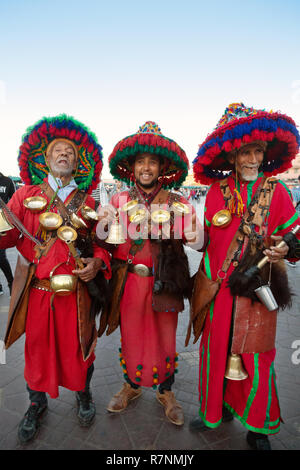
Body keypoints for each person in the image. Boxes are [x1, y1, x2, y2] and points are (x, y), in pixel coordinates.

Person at [190, 103, 300, 450]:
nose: (251, 159)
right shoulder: (214, 193)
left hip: (258, 288)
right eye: (245, 152)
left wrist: (286, 249)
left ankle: (259, 426)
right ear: (232, 156)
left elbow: (292, 238)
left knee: (257, 356)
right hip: (218, 287)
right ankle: (215, 411)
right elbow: (206, 239)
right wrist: (190, 236)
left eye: (257, 151)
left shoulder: (279, 192)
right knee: (216, 350)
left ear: (265, 154)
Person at [0, 115, 111, 444]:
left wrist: (97, 262)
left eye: (70, 152)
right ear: (45, 159)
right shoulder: (25, 196)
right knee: (35, 351)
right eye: (57, 150)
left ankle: (84, 394)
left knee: (83, 348)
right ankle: (36, 403)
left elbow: (105, 246)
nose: (64, 154)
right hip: (38, 293)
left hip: (79, 294)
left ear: (78, 162)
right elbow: (5, 239)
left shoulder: (91, 201)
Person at [96, 121, 203, 426]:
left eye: (152, 161)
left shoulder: (177, 202)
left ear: (162, 166)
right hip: (129, 281)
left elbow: (198, 243)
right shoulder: (118, 199)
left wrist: (193, 229)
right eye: (140, 161)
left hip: (165, 280)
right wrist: (103, 223)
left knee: (165, 335)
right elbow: (102, 240)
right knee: (131, 334)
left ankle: (165, 391)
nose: (146, 167)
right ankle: (131, 386)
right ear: (131, 167)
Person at [0, 172, 15, 294]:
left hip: (2, 224)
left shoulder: (7, 181)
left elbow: (14, 202)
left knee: (1, 257)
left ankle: (11, 282)